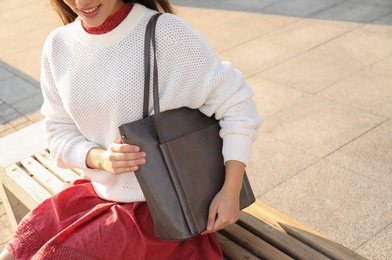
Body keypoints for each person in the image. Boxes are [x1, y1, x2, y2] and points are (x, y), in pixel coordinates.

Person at [0, 0, 261, 259]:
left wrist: (231, 190)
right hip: (96, 193)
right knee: (13, 254)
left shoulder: (166, 33)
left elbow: (237, 106)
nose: (81, 2)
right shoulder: (58, 45)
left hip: (161, 210)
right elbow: (58, 130)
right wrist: (100, 158)